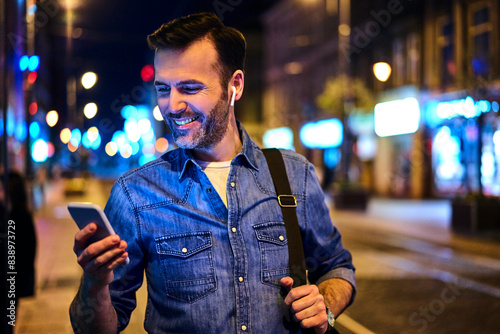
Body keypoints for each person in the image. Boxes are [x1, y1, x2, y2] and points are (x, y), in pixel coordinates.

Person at [70, 12, 355, 334]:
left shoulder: (295, 175)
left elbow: (337, 267)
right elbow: (94, 329)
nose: (172, 105)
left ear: (234, 86)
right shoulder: (135, 193)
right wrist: (94, 283)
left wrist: (325, 306)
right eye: (164, 89)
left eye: (190, 89)